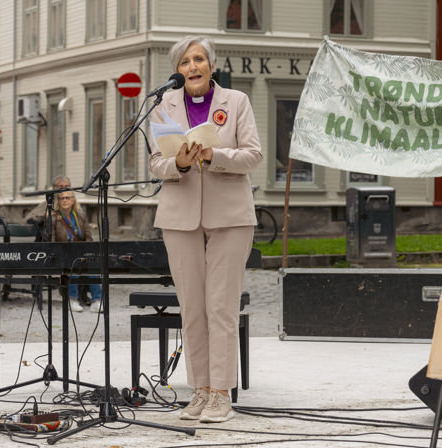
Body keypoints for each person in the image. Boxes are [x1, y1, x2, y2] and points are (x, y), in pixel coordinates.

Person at [148, 35, 262, 423]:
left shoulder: (237, 101)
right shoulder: (163, 105)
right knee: (192, 309)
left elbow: (253, 155)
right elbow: (155, 163)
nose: (192, 66)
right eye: (184, 62)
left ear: (211, 66)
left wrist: (214, 155)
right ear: (177, 70)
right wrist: (178, 164)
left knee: (221, 307)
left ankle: (221, 393)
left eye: (199, 59)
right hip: (179, 215)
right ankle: (199, 390)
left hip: (230, 215)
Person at [52, 190, 102, 313]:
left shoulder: (80, 215)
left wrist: (88, 253)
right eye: (62, 198)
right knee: (73, 265)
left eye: (68, 198)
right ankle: (72, 299)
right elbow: (51, 241)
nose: (65, 200)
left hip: (80, 251)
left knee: (92, 266)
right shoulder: (54, 217)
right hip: (63, 252)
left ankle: (96, 301)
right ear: (58, 201)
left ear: (73, 200)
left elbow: (88, 237)